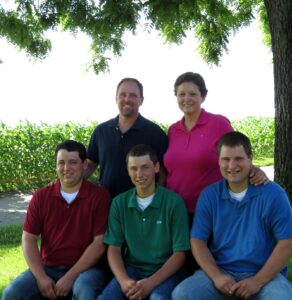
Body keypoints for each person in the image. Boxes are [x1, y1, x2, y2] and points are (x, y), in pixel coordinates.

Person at [172, 131, 292, 300]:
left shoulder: (274, 194)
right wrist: (216, 276)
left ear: (250, 159)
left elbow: (288, 243)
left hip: (264, 275)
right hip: (222, 272)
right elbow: (197, 240)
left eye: (238, 159)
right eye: (226, 159)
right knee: (182, 294)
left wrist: (257, 281)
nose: (232, 165)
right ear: (219, 161)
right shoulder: (209, 196)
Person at [2, 140, 112, 300]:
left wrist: (70, 277)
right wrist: (41, 277)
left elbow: (99, 244)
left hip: (87, 269)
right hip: (48, 267)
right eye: (61, 163)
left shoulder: (100, 197)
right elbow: (29, 238)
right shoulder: (41, 196)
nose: (66, 168)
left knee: (85, 292)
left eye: (73, 162)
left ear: (85, 164)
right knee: (11, 293)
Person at [164, 72, 268, 221]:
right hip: (175, 210)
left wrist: (253, 169)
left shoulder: (218, 123)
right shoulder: (173, 130)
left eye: (193, 94)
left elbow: (237, 151)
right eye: (181, 94)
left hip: (211, 209)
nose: (186, 99)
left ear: (203, 97)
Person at [98, 144, 190, 300]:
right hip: (133, 269)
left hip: (167, 271)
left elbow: (180, 253)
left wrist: (151, 283)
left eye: (145, 167)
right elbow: (113, 248)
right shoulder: (119, 203)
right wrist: (124, 280)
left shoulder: (174, 202)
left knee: (157, 298)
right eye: (133, 168)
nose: (139, 174)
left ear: (156, 167)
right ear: (128, 171)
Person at [85, 77, 168, 198]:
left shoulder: (155, 133)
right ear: (116, 98)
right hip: (106, 205)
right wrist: (63, 183)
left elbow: (163, 173)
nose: (127, 99)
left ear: (141, 100)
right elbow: (90, 165)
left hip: (142, 207)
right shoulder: (101, 131)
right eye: (122, 94)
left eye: (133, 95)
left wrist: (157, 201)